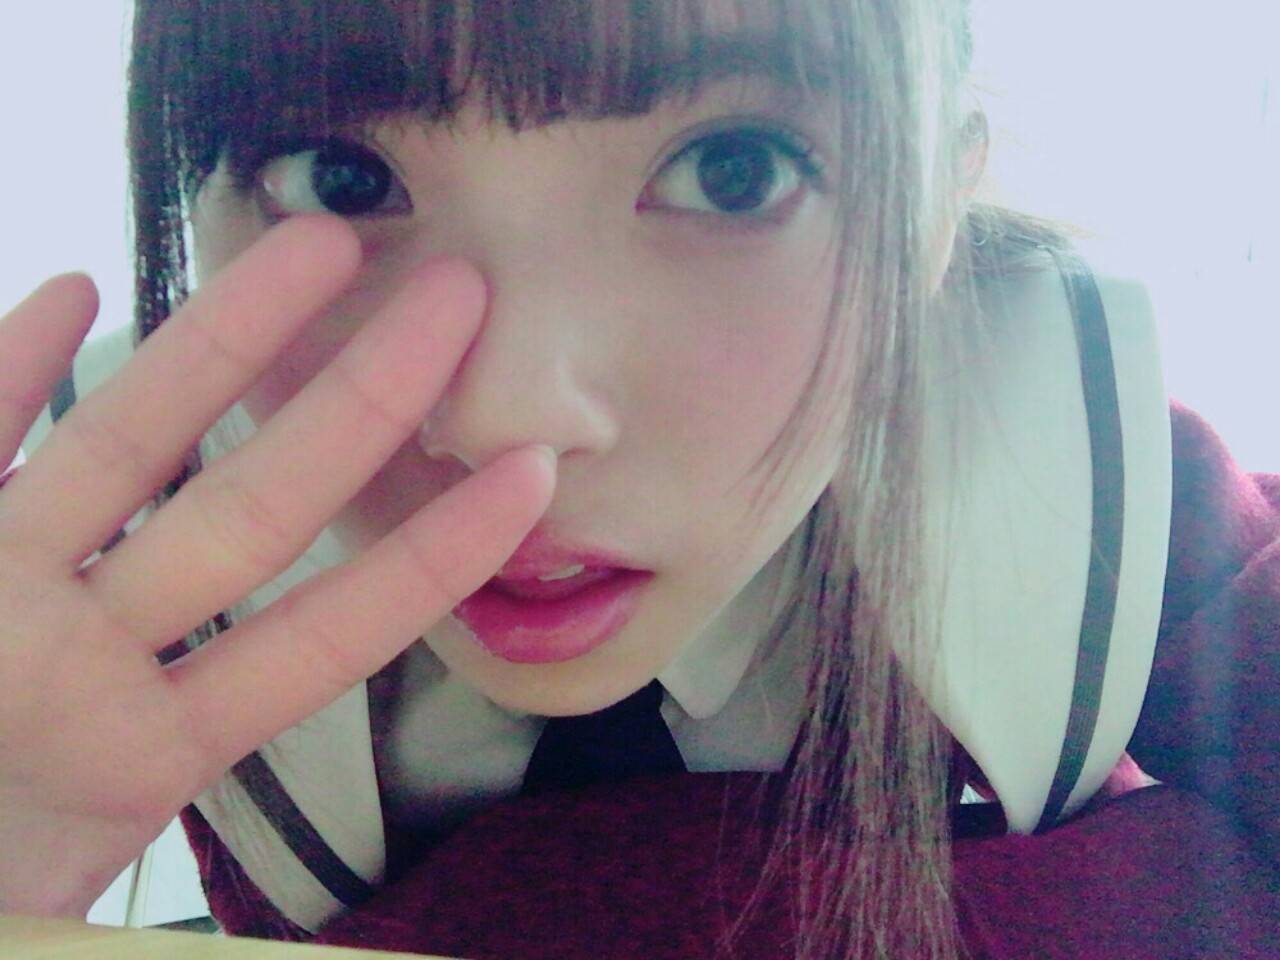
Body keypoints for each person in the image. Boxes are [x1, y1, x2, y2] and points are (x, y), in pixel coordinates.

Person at [1, 1, 1276, 958]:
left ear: (936, 212)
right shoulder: (100, 582)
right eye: (343, 178)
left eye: (734, 170)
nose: (505, 420)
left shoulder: (1110, 486)